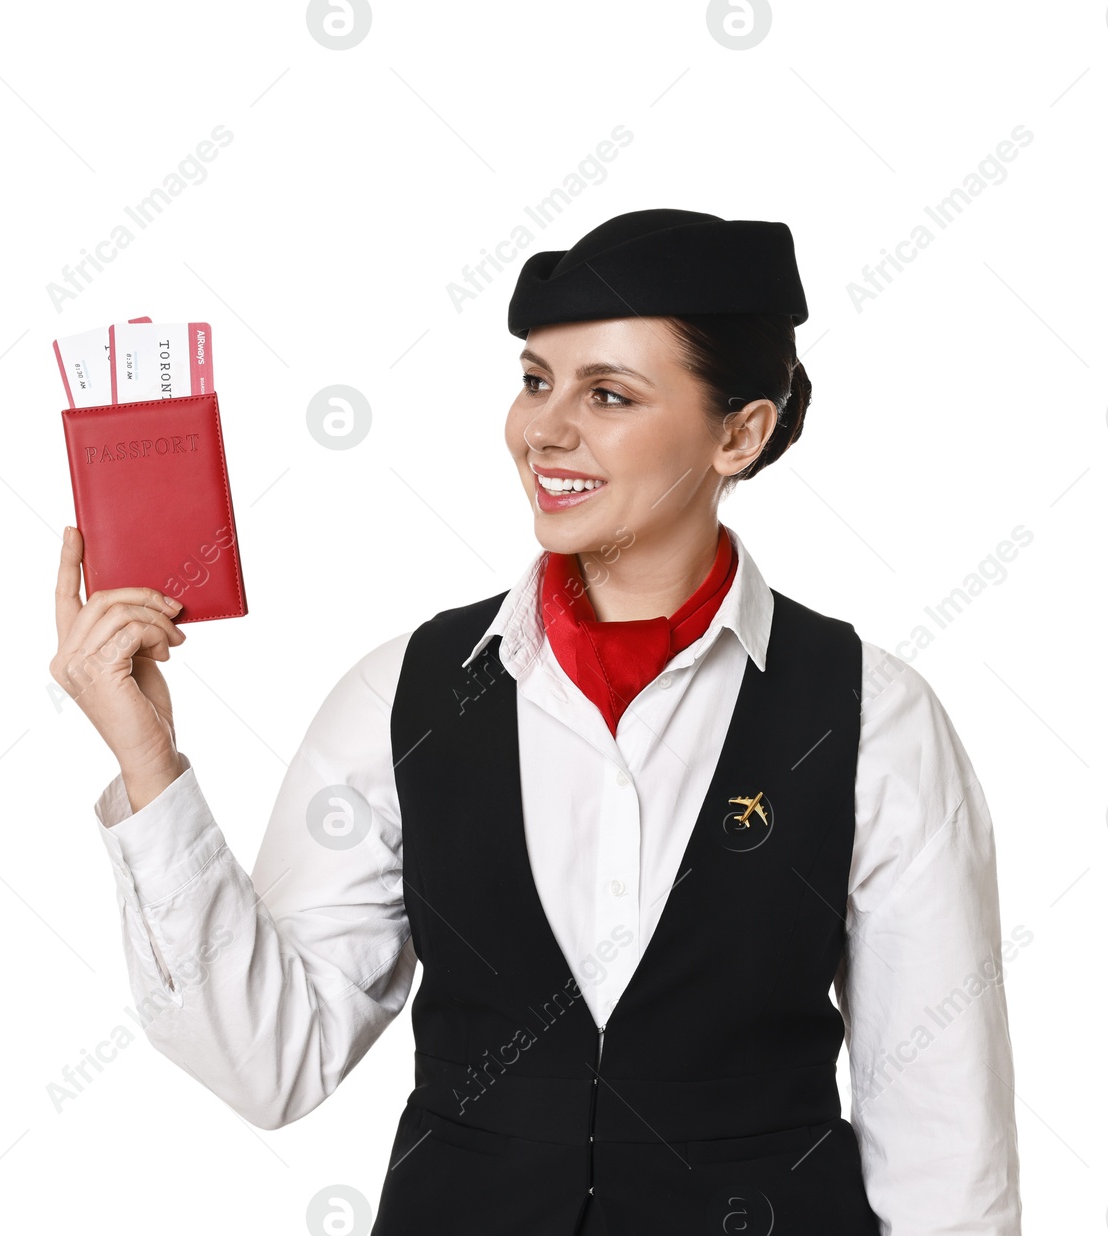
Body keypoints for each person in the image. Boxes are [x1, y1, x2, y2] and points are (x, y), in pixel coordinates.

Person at [50, 208, 1022, 1235]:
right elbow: (271, 1062)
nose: (544, 430)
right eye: (533, 380)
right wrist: (148, 761)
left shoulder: (873, 718)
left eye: (608, 394)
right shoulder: (401, 697)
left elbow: (942, 1139)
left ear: (740, 432)